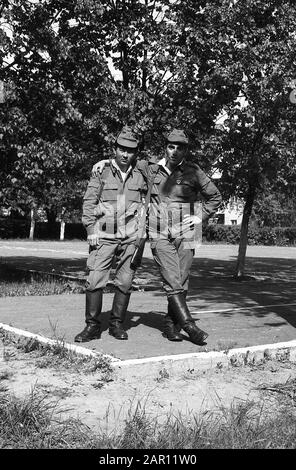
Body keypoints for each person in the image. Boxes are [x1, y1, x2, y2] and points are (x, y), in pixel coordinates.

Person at [92, 128, 222, 346]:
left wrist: (200, 217)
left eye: (180, 148)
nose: (175, 151)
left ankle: (172, 325)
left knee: (182, 278)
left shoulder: (194, 171)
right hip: (159, 229)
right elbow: (125, 160)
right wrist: (104, 161)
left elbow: (215, 197)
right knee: (171, 277)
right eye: (171, 146)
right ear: (165, 147)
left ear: (185, 150)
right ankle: (189, 325)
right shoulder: (150, 167)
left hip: (188, 231)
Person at [74, 126, 147, 343]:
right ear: (114, 149)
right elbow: (89, 201)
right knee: (95, 279)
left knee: (125, 281)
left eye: (131, 150)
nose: (125, 154)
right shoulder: (102, 171)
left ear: (136, 153)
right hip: (104, 234)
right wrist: (89, 229)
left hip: (131, 236)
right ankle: (92, 327)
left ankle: (116, 325)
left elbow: (161, 165)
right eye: (122, 149)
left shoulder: (142, 173)